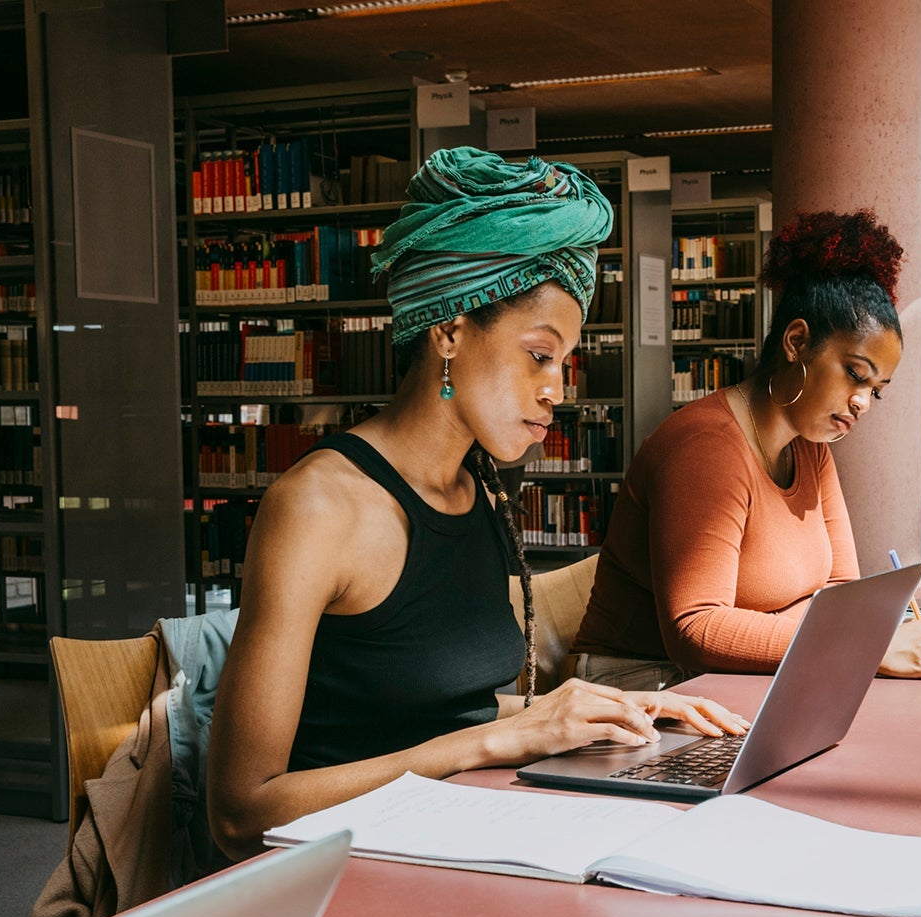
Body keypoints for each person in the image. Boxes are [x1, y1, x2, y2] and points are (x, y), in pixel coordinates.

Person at [207, 148, 746, 860]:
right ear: (451, 331)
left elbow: (437, 705)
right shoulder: (318, 508)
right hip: (333, 876)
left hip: (448, 837)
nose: (558, 388)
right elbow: (241, 812)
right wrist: (491, 739)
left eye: (567, 362)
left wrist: (591, 711)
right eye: (539, 354)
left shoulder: (479, 486)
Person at [572, 210, 921, 685]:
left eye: (876, 390)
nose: (863, 403)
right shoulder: (705, 449)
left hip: (739, 677)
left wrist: (832, 632)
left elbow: (838, 590)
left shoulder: (810, 445)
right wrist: (857, 643)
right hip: (644, 685)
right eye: (856, 375)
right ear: (796, 342)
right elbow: (697, 628)